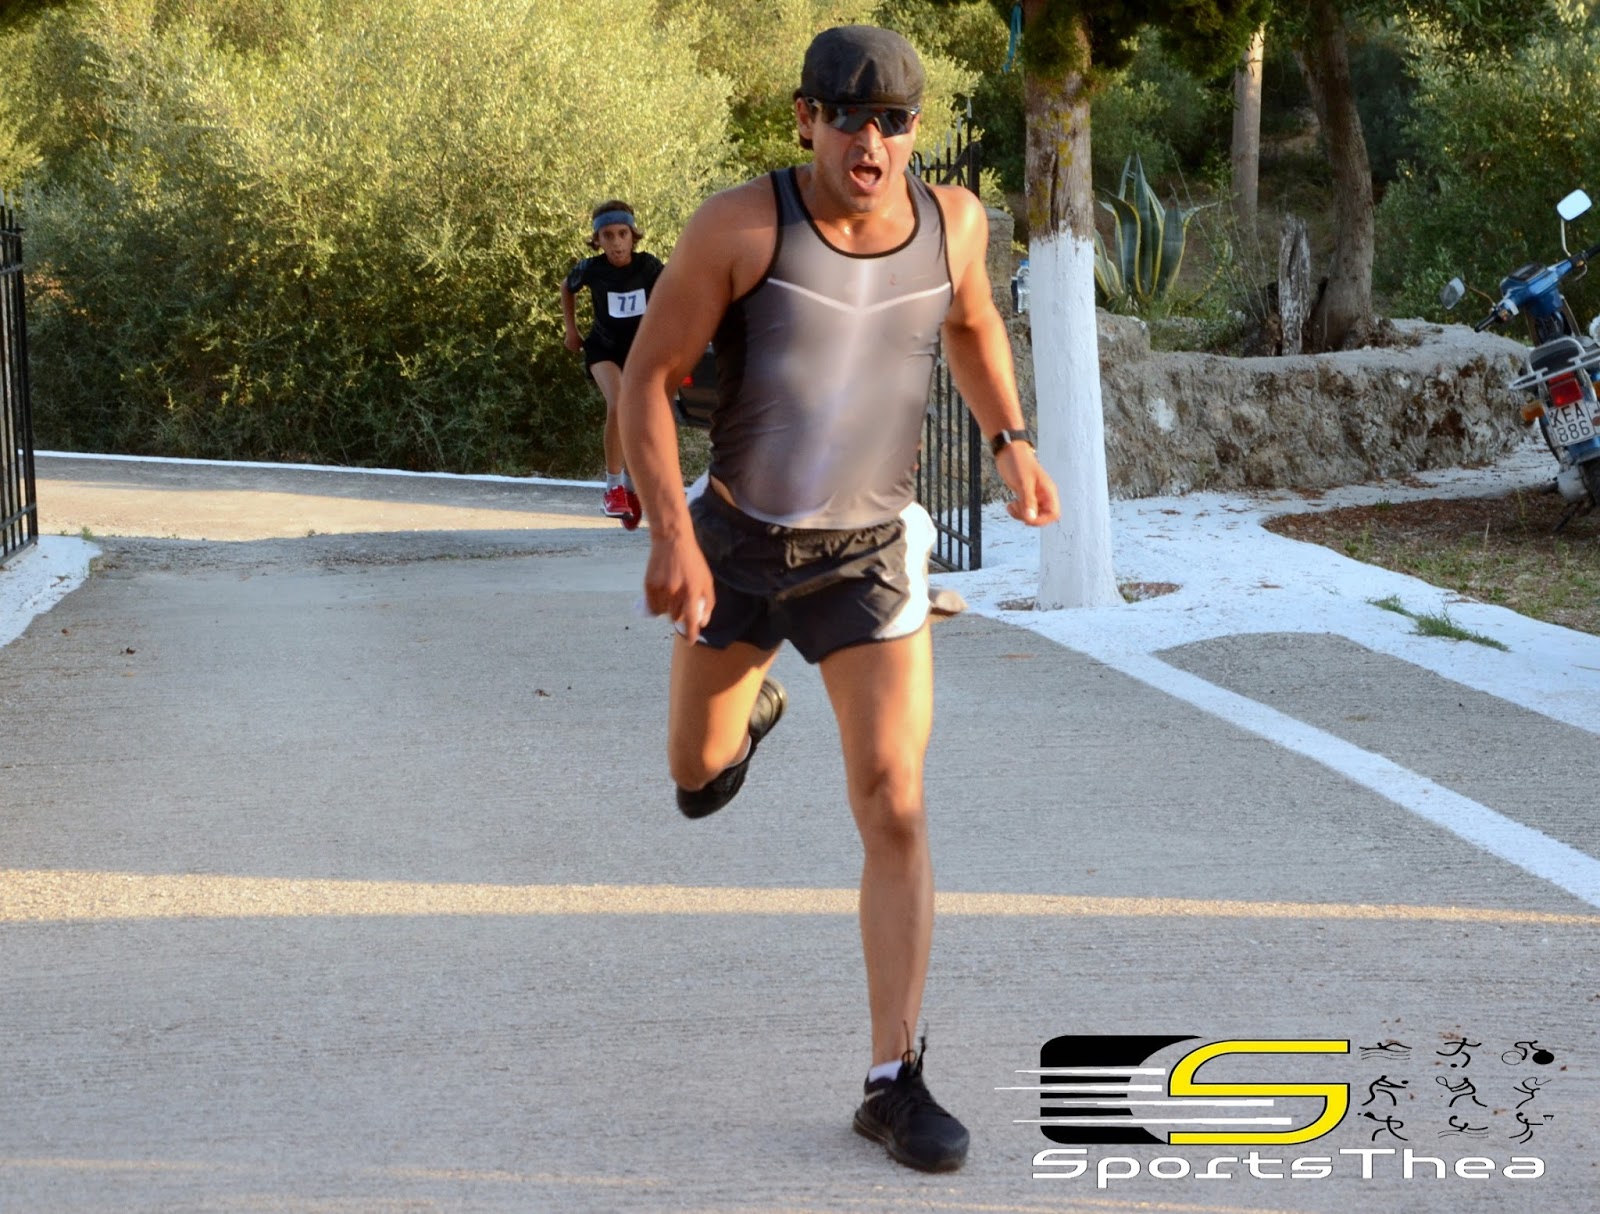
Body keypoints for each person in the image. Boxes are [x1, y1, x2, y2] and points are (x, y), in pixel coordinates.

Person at [617, 24, 1059, 1173]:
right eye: (848, 118)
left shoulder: (954, 223)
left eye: (894, 121)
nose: (871, 142)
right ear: (805, 120)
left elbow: (972, 322)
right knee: (695, 776)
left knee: (895, 800)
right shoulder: (740, 227)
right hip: (737, 546)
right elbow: (649, 382)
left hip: (868, 554)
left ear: (916, 128)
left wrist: (1010, 439)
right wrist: (674, 536)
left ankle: (892, 1076)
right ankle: (747, 712)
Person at [561, 200, 663, 518]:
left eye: (622, 234)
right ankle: (613, 488)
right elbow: (567, 287)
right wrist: (571, 331)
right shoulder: (591, 269)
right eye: (607, 236)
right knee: (619, 404)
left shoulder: (648, 266)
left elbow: (672, 294)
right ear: (597, 240)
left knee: (641, 414)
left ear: (633, 235)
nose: (616, 243)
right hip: (603, 349)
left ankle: (634, 484)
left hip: (639, 351)